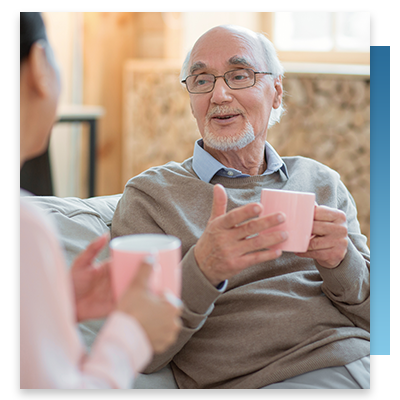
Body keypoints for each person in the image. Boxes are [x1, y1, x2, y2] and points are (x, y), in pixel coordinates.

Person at [111, 25, 370, 389]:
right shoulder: (151, 197)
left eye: (239, 75)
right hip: (269, 379)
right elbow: (139, 348)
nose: (219, 94)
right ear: (191, 99)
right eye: (201, 79)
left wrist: (342, 261)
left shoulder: (321, 181)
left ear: (276, 91)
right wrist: (203, 268)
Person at [20, 12, 181, 389]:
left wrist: (59, 306)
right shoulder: (23, 226)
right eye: (202, 80)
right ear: (41, 66)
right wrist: (131, 333)